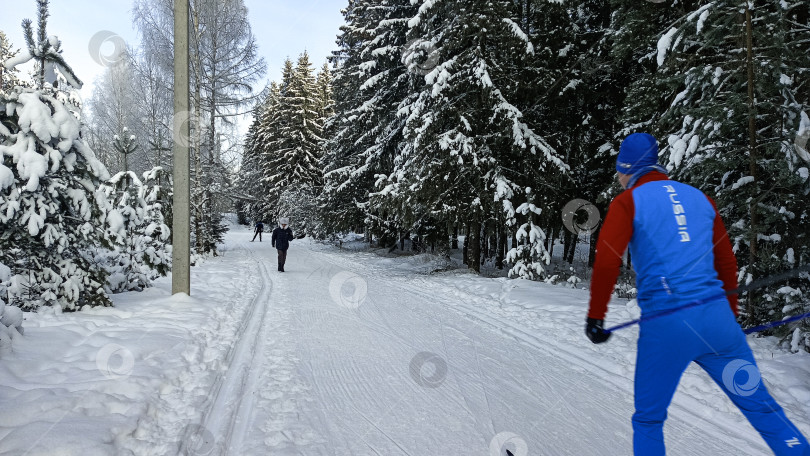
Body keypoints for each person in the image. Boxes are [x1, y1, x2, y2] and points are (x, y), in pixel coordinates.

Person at [586, 133, 809, 455]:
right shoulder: (699, 198)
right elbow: (726, 261)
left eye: (619, 171)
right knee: (762, 408)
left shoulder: (628, 201)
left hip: (668, 327)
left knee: (649, 420)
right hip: (718, 324)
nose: (619, 178)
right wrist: (729, 319)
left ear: (628, 168)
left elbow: (607, 261)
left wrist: (596, 317)